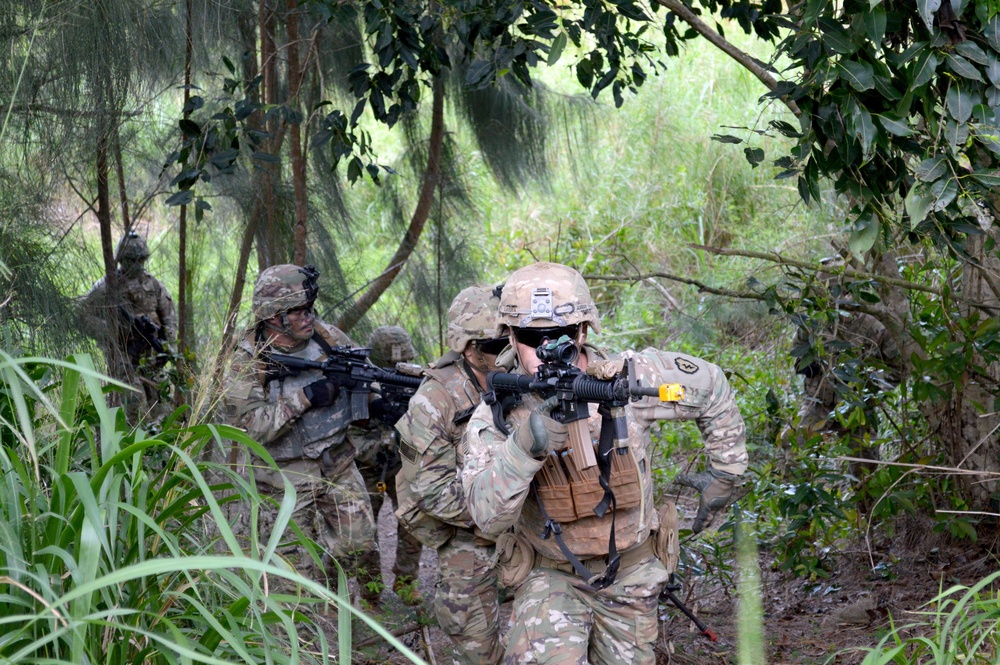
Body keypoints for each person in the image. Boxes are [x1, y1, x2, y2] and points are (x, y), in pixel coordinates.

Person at [461, 262, 748, 664]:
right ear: (509, 335)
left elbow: (712, 385)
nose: (546, 348)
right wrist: (523, 448)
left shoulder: (626, 379)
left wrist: (726, 473)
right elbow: (486, 516)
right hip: (551, 575)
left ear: (582, 331)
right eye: (531, 336)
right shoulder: (500, 412)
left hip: (631, 574)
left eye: (561, 334)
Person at [221, 263, 377, 592]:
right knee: (292, 579)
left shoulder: (328, 337)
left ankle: (337, 602)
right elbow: (251, 429)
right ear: (274, 317)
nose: (309, 317)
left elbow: (367, 378)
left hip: (337, 464)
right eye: (299, 311)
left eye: (310, 308)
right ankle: (304, 633)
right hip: (283, 481)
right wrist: (305, 397)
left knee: (358, 547)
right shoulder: (245, 361)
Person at [395, 285, 508, 665]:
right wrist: (496, 516)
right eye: (496, 345)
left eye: (513, 340)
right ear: (468, 348)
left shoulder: (521, 375)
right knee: (475, 641)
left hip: (528, 526)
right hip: (469, 531)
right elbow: (433, 491)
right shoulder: (434, 400)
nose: (507, 353)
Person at [351, 325, 424, 608]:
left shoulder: (414, 381)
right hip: (366, 468)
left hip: (401, 465)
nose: (397, 368)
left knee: (413, 522)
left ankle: (406, 582)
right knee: (363, 533)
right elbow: (351, 432)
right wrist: (378, 447)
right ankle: (370, 591)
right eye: (392, 364)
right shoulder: (361, 381)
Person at [79, 231, 176, 423]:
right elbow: (82, 314)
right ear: (122, 259)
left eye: (141, 260)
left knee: (160, 401)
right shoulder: (108, 286)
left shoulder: (153, 284)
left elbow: (169, 317)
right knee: (133, 400)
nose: (137, 265)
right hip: (121, 353)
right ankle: (131, 443)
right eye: (132, 260)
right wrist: (111, 331)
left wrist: (168, 345)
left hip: (151, 354)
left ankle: (157, 445)